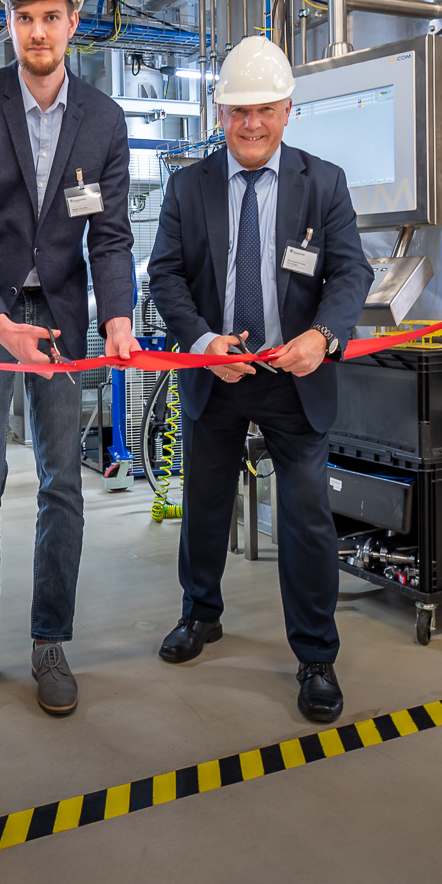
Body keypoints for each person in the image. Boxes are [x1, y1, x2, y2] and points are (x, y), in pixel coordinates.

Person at [0, 0, 137, 717]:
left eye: (52, 16)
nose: (38, 32)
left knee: (63, 484)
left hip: (57, 317)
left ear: (74, 20)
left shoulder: (104, 121)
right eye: (25, 17)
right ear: (9, 20)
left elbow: (109, 236)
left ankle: (50, 640)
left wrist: (117, 315)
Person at [143, 35, 372, 723]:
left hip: (292, 374)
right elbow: (166, 276)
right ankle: (200, 613)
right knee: (205, 504)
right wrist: (205, 341)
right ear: (219, 114)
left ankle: (316, 656)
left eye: (264, 110)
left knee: (305, 517)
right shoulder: (190, 186)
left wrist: (323, 337)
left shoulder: (322, 182)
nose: (251, 124)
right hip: (217, 369)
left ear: (287, 110)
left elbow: (351, 273)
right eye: (238, 110)